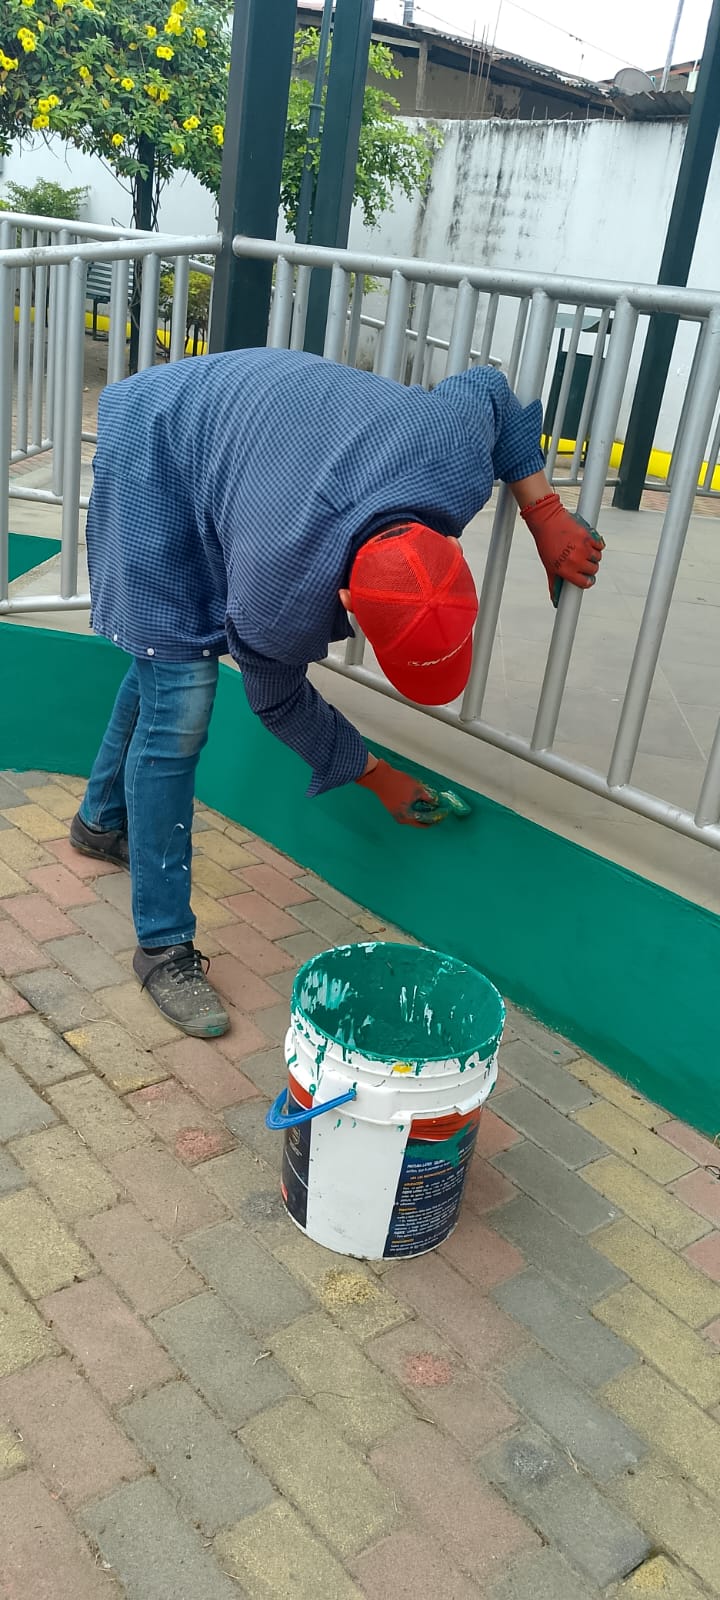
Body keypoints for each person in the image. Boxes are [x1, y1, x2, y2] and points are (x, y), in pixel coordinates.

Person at [70, 348, 604, 1038]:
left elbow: (490, 391)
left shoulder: (452, 454)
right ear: (347, 599)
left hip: (256, 437)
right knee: (179, 691)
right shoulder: (276, 588)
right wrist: (376, 777)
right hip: (158, 444)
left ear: (452, 552)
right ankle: (162, 947)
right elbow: (277, 700)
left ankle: (99, 823)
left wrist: (545, 512)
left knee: (163, 656)